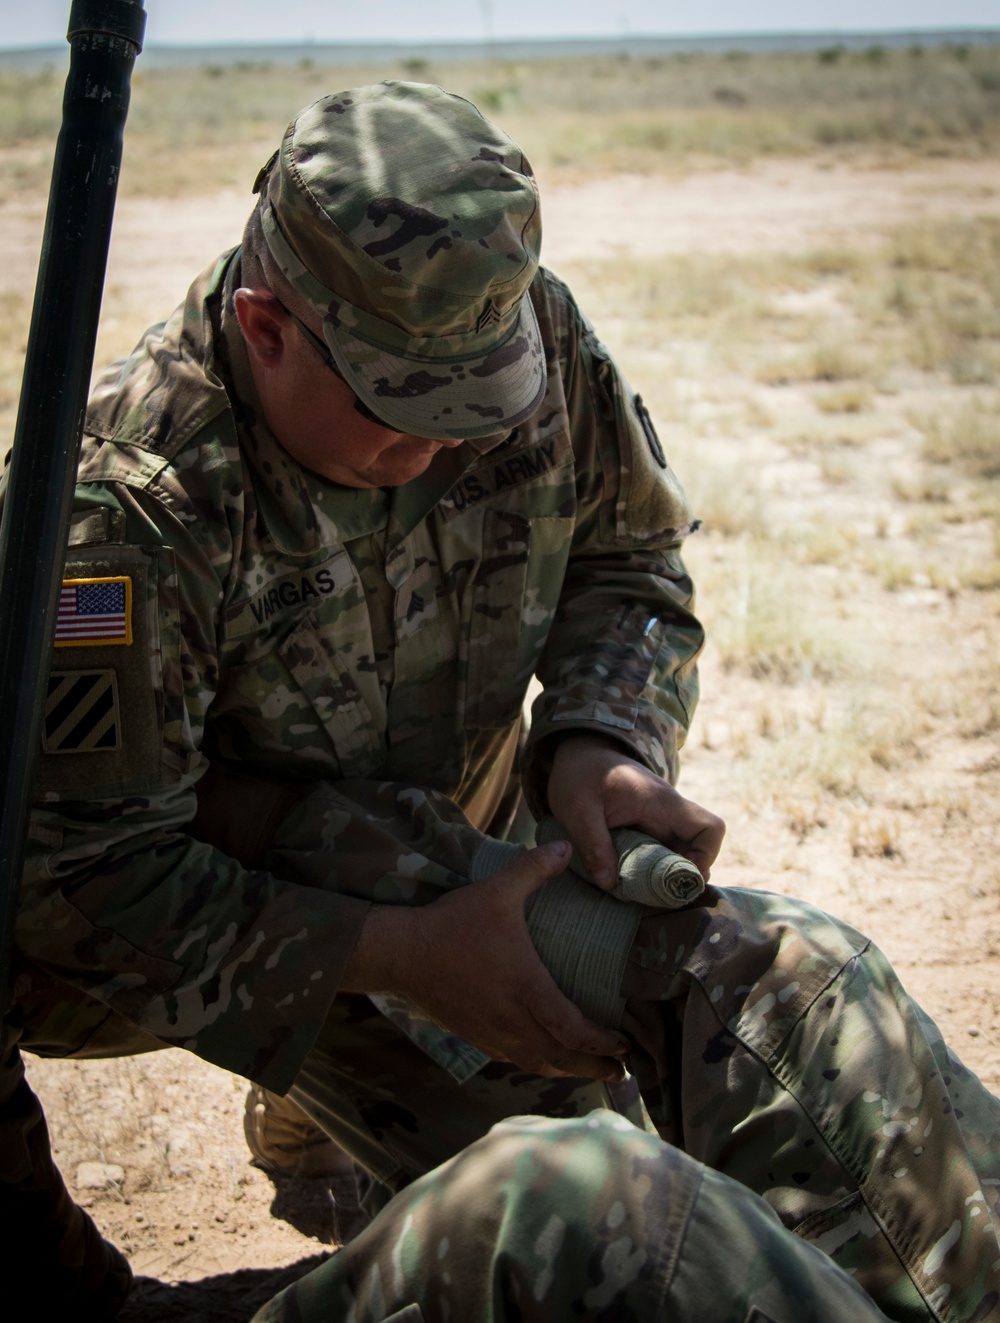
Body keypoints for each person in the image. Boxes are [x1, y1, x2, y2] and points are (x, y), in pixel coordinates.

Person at [1, 81, 996, 1319]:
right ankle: (317, 1071)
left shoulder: (514, 339)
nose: (452, 449)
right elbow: (81, 882)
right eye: (403, 414)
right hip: (267, 908)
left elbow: (629, 561)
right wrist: (406, 960)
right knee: (591, 1200)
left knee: (741, 1056)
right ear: (266, 327)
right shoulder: (129, 508)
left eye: (483, 402)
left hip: (463, 865)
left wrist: (600, 738)